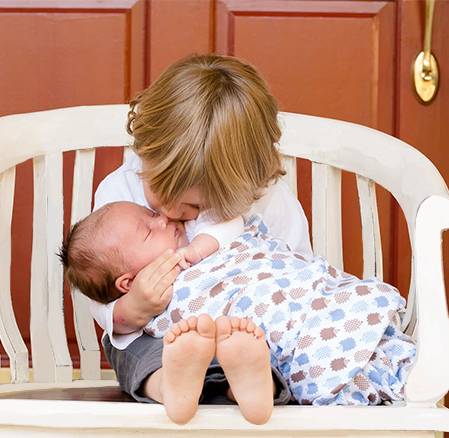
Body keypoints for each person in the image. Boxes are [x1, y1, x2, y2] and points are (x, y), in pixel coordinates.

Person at [68, 53, 313, 425]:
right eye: (156, 193)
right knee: (131, 349)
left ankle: (244, 383)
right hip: (165, 337)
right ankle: (170, 384)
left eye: (193, 204)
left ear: (244, 185)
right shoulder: (120, 191)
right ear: (144, 151)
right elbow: (98, 280)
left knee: (268, 351)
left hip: (249, 331)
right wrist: (130, 310)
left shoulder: (267, 199)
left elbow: (299, 273)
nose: (167, 212)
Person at [62, 201, 417, 407]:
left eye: (150, 213)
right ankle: (238, 381)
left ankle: (248, 380)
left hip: (303, 301)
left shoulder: (200, 228)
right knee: (206, 338)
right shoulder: (118, 213)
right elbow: (114, 321)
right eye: (147, 230)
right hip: (245, 331)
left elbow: (239, 233)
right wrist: (136, 304)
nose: (161, 218)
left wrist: (198, 249)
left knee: (252, 332)